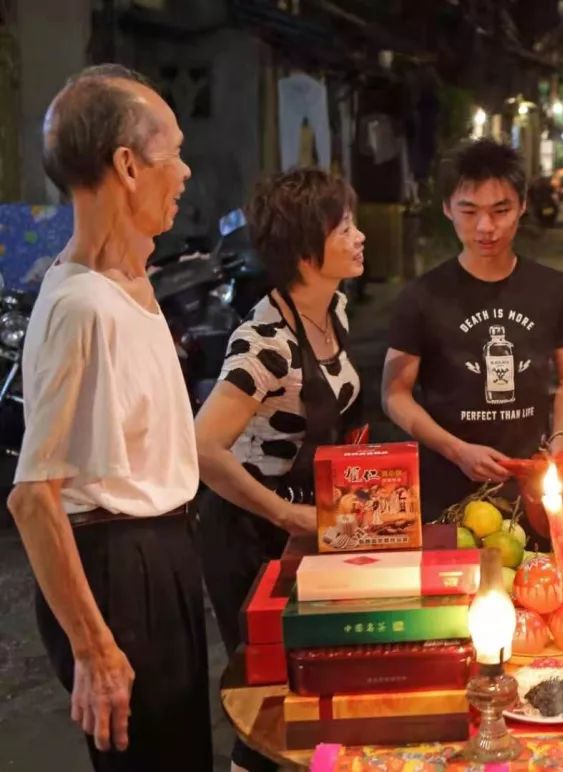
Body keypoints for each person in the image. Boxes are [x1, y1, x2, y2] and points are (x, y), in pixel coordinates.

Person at [7, 65, 211, 771]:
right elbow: (34, 497)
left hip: (164, 554)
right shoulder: (81, 305)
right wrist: (95, 649)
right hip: (122, 573)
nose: (184, 173)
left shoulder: (130, 282)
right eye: (173, 152)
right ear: (127, 164)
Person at [195, 167, 365, 771]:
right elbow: (203, 447)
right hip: (247, 530)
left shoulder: (335, 310)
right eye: (343, 227)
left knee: (317, 676)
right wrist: (285, 512)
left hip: (306, 525)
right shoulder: (263, 343)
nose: (359, 236)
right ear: (303, 250)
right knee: (265, 691)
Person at [382, 139, 563, 523]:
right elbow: (394, 394)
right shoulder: (421, 297)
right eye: (469, 211)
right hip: (444, 492)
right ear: (447, 209)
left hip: (531, 488)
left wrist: (561, 439)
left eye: (501, 210)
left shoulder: (554, 289)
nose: (486, 227)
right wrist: (457, 450)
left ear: (523, 205)